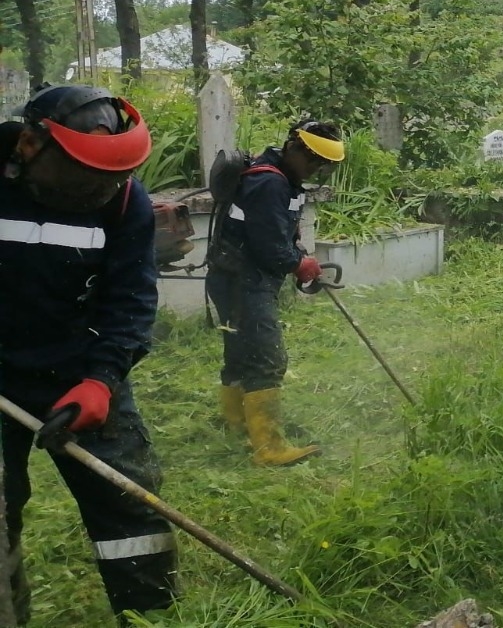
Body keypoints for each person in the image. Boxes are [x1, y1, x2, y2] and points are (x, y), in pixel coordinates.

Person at [0, 84, 177, 623]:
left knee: (129, 505)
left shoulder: (125, 201)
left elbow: (131, 298)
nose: (99, 189)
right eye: (85, 175)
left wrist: (102, 380)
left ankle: (149, 614)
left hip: (78, 368)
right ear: (31, 145)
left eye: (114, 176)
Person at [205, 119, 344, 467]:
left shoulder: (285, 180)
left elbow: (279, 230)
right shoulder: (269, 182)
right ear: (292, 147)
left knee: (239, 352)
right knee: (267, 358)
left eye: (322, 164)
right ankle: (268, 448)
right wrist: (301, 264)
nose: (317, 168)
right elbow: (270, 248)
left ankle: (238, 423)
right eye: (312, 160)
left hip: (234, 278)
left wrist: (296, 251)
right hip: (244, 281)